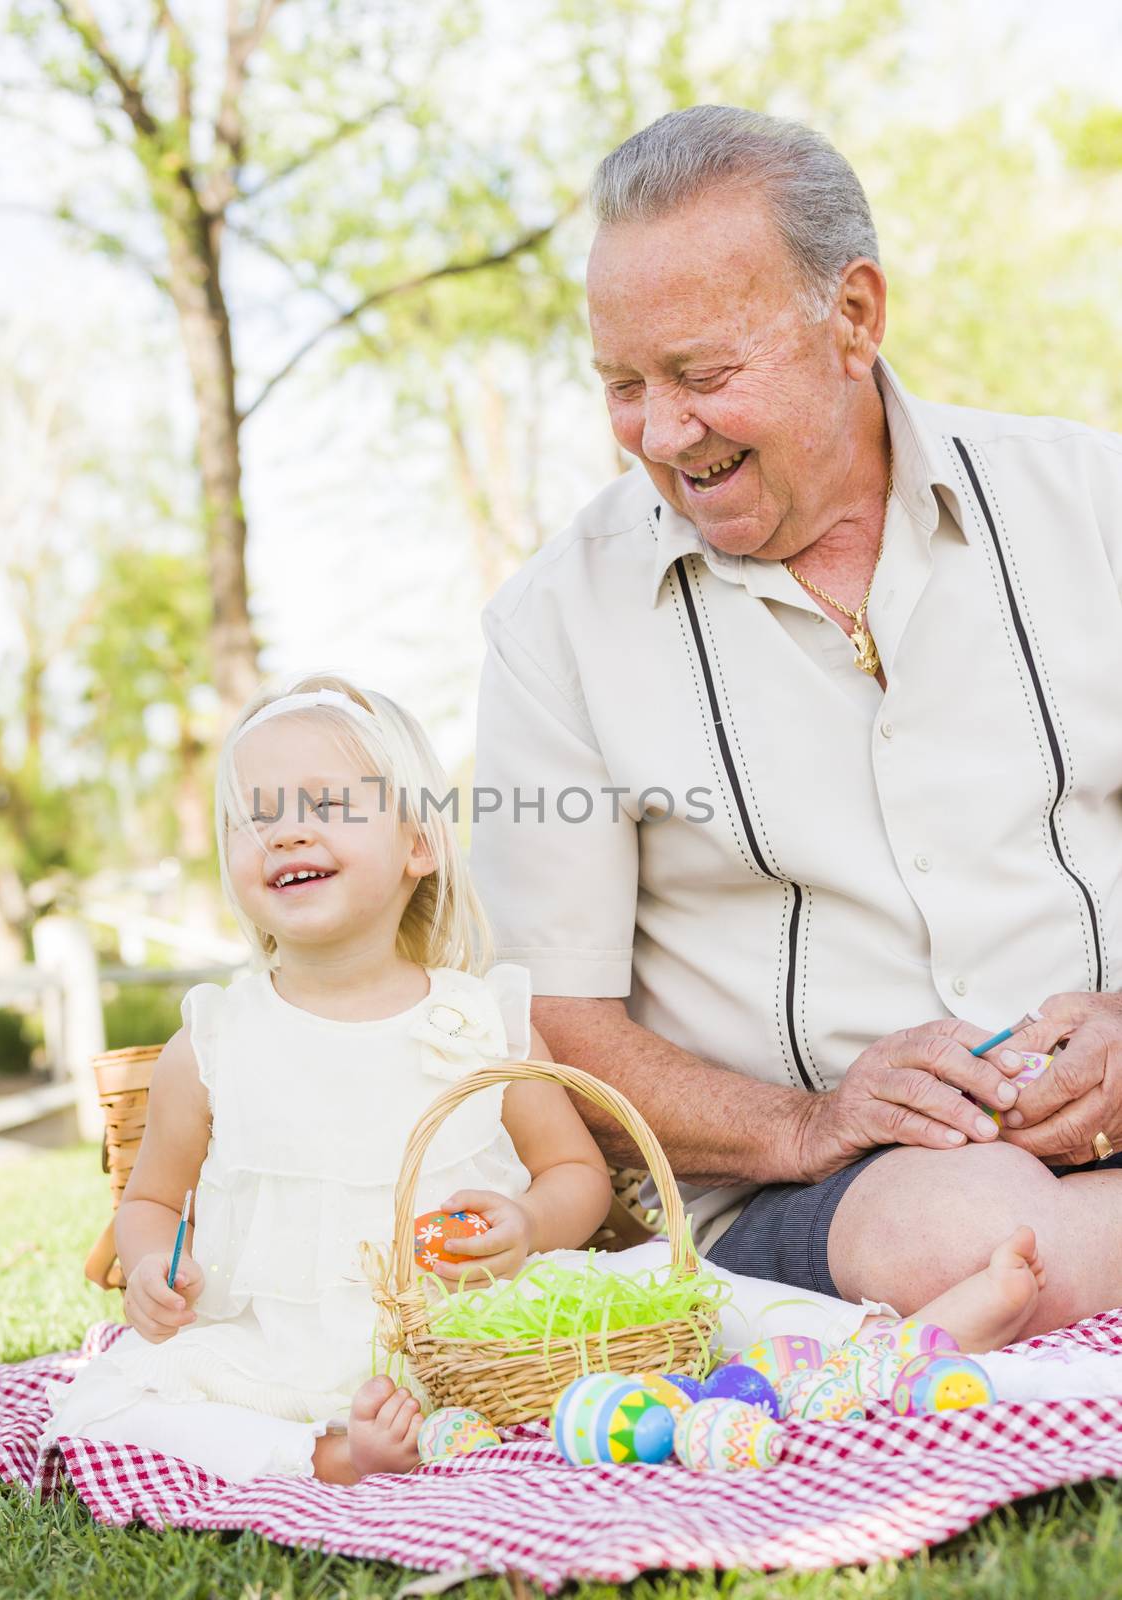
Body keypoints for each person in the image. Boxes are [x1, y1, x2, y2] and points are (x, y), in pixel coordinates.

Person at [39, 674, 1057, 1488]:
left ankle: (884, 1346)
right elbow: (154, 1198)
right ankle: (320, 1455)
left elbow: (573, 1169)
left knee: (703, 1297)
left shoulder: (476, 1017)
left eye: (327, 806)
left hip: (486, 1330)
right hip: (284, 1345)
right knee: (109, 1409)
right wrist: (148, 1272)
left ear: (419, 846)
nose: (287, 831)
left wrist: (528, 1226)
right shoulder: (214, 1039)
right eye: (254, 815)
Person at [470, 104, 1122, 1338]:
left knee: (1002, 1228)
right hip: (821, 1193)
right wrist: (811, 1122)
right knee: (966, 1231)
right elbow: (555, 1028)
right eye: (623, 387)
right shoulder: (553, 626)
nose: (663, 434)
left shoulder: (1092, 502)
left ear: (855, 320)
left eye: (704, 376)